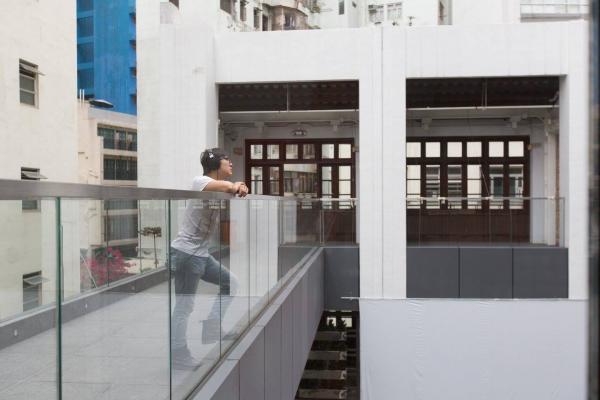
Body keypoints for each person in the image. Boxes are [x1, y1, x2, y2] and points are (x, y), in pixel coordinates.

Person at [170, 148, 248, 370]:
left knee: (231, 283)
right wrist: (236, 185)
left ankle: (213, 326)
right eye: (226, 160)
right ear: (215, 164)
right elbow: (227, 187)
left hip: (201, 254)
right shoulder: (200, 181)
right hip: (186, 254)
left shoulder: (219, 186)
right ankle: (178, 353)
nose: (231, 163)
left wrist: (238, 185)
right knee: (184, 306)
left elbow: (229, 187)